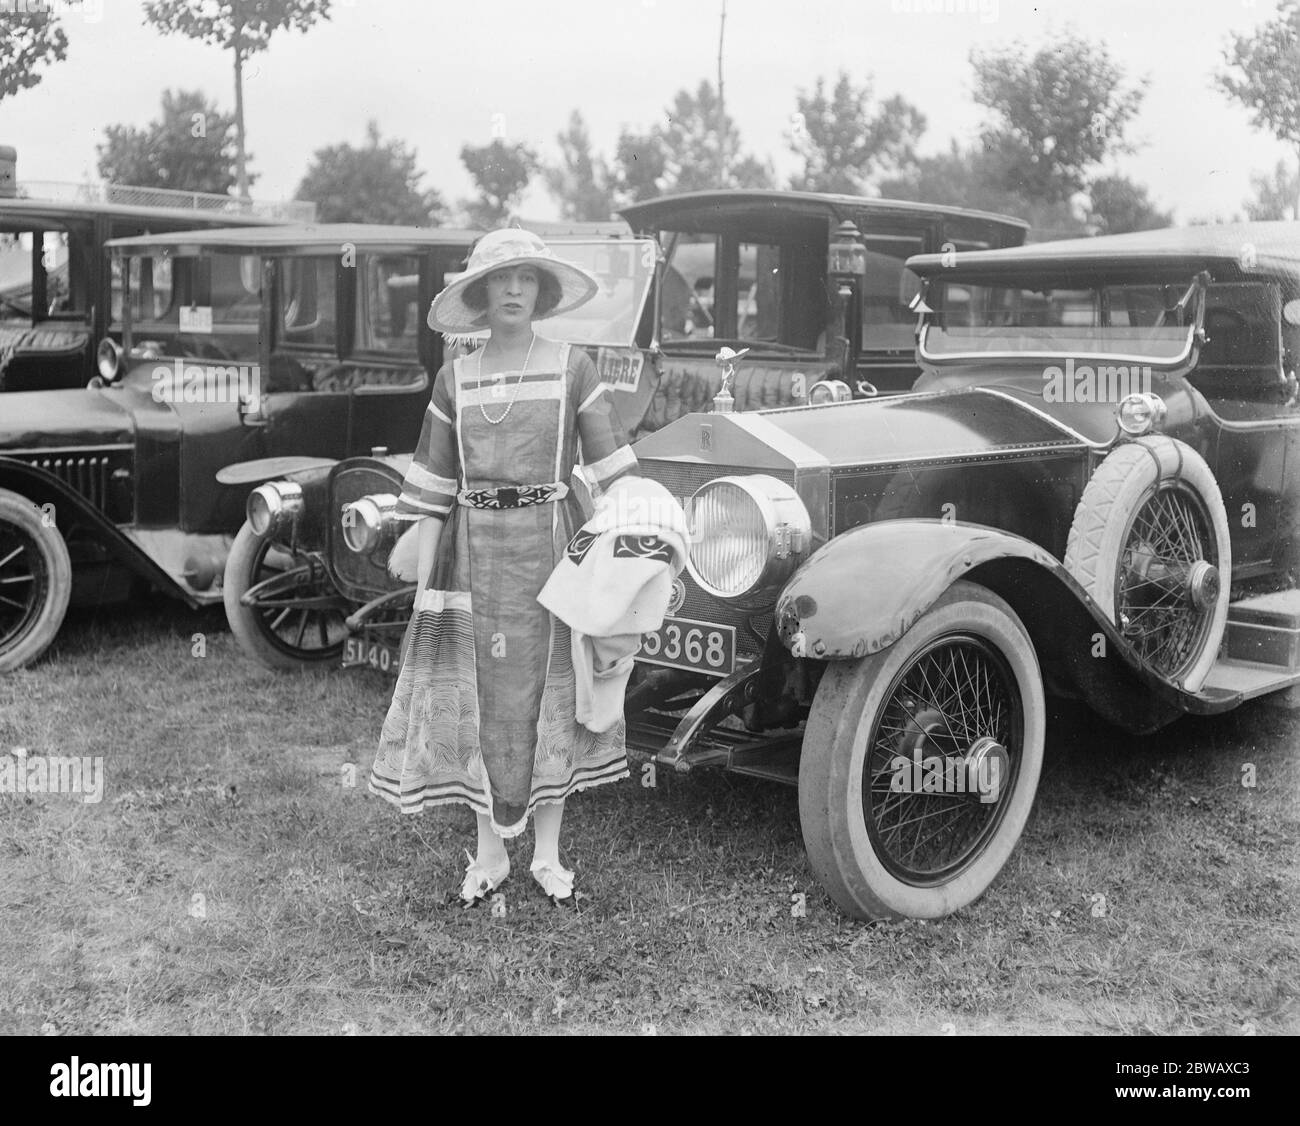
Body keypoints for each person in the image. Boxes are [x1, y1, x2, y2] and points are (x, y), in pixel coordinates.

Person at [368, 228, 639, 906]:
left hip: (552, 551)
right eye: (500, 279)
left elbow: (612, 472)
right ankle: (489, 855)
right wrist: (423, 594)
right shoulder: (453, 378)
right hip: (471, 557)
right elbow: (432, 487)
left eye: (526, 279)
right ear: (480, 294)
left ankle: (547, 854)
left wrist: (632, 556)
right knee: (483, 698)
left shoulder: (574, 366)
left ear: (542, 292)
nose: (514, 289)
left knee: (551, 694)